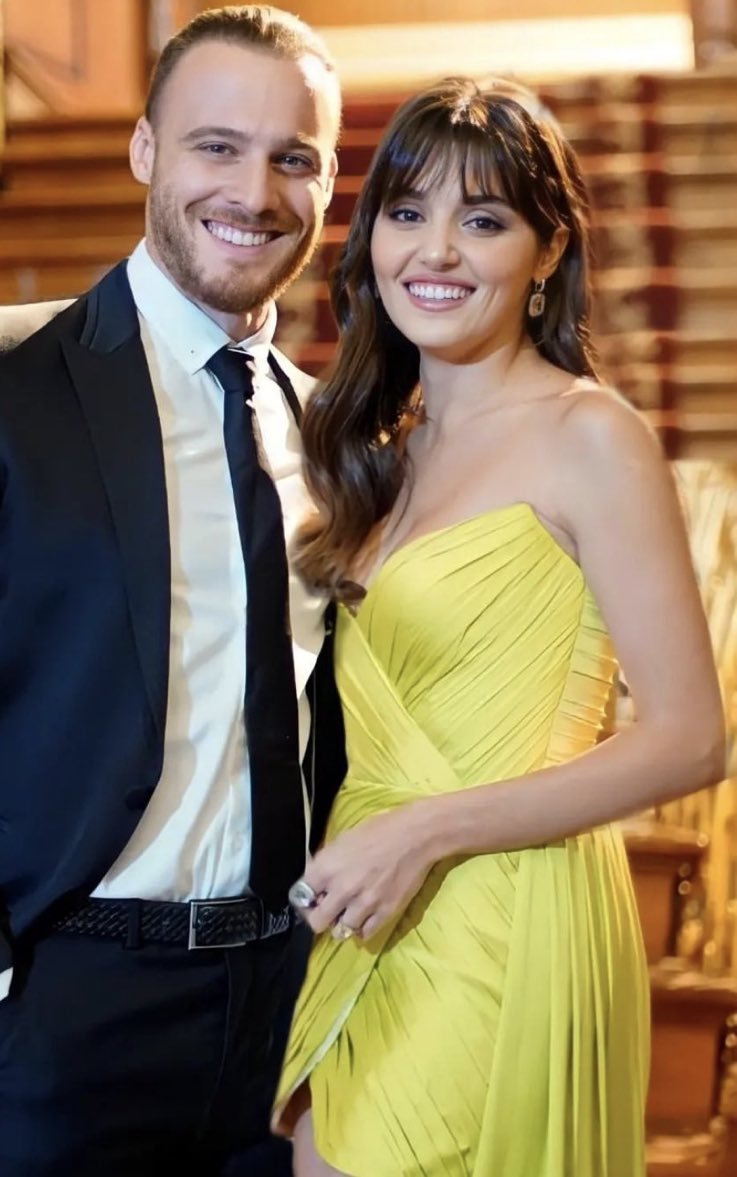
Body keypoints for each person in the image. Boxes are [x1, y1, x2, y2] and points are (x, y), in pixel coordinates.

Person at [0, 7, 345, 1175]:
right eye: (216, 145)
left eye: (292, 157)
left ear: (328, 178)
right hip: (50, 1010)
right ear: (145, 148)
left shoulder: (330, 436)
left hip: (276, 1017)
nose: (254, 191)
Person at [274, 77, 724, 1177]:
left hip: (505, 904)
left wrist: (422, 833)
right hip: (365, 904)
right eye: (407, 211)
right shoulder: (384, 449)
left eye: (482, 220)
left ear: (547, 250)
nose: (435, 250)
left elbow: (690, 739)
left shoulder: (591, 436)